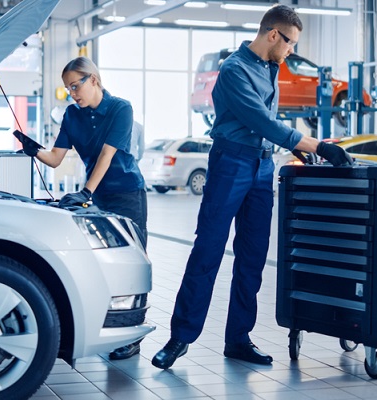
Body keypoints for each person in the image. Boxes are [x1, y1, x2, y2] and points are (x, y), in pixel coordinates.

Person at [151, 4, 352, 369]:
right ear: (273, 34)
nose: (291, 50)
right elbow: (260, 119)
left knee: (253, 257)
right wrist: (317, 145)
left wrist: (292, 146)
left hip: (261, 166)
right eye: (289, 42)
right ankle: (180, 337)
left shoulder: (271, 66)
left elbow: (270, 122)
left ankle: (238, 339)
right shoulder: (233, 69)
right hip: (231, 163)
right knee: (208, 251)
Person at [15, 56, 148, 360]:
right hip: (99, 195)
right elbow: (55, 158)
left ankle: (132, 334)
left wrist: (85, 191)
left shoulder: (120, 108)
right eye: (68, 89)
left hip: (127, 192)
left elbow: (106, 154)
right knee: (107, 262)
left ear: (94, 80)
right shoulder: (72, 116)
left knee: (132, 262)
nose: (73, 93)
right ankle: (111, 327)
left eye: (76, 86)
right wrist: (32, 149)